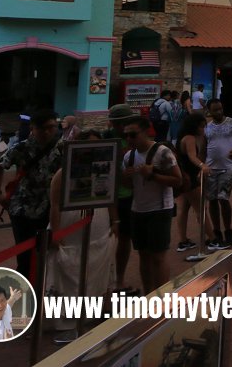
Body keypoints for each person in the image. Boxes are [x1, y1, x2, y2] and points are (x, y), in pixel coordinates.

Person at [48, 130, 117, 343]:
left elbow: (110, 197)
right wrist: (56, 231)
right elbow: (55, 202)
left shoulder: (104, 167)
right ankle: (67, 321)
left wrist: (116, 221)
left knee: (96, 266)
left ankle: (90, 314)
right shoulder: (64, 172)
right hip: (71, 224)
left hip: (98, 222)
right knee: (67, 269)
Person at [0, 112, 63, 277]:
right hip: (23, 208)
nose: (46, 132)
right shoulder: (22, 147)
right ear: (33, 128)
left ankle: (44, 290)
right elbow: (0, 165)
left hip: (51, 208)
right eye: (42, 128)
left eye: (51, 127)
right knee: (25, 255)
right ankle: (26, 290)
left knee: (50, 253)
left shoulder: (63, 147)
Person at [122, 117, 182, 293]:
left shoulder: (162, 152)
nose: (129, 139)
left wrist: (152, 175)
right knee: (143, 254)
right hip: (138, 209)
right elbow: (129, 186)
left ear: (145, 132)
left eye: (133, 135)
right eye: (126, 135)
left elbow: (177, 180)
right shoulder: (129, 156)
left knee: (158, 256)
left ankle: (161, 295)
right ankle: (148, 294)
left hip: (160, 209)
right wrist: (126, 177)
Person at [102, 104, 137, 292]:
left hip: (127, 196)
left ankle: (119, 279)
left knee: (124, 239)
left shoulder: (133, 140)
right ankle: (105, 280)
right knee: (104, 239)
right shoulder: (105, 139)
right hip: (106, 197)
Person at [203, 98, 232, 249]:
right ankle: (217, 231)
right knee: (212, 199)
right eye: (215, 110)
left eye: (220, 109)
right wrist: (201, 165)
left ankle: (228, 230)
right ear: (209, 111)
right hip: (211, 167)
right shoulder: (207, 126)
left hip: (227, 167)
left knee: (223, 198)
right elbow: (203, 146)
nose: (219, 112)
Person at [175, 113, 208, 252]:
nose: (203, 129)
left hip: (184, 176)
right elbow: (192, 156)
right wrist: (203, 166)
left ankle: (183, 240)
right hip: (190, 177)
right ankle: (212, 238)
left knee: (183, 209)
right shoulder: (189, 138)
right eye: (202, 126)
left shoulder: (184, 137)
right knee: (200, 209)